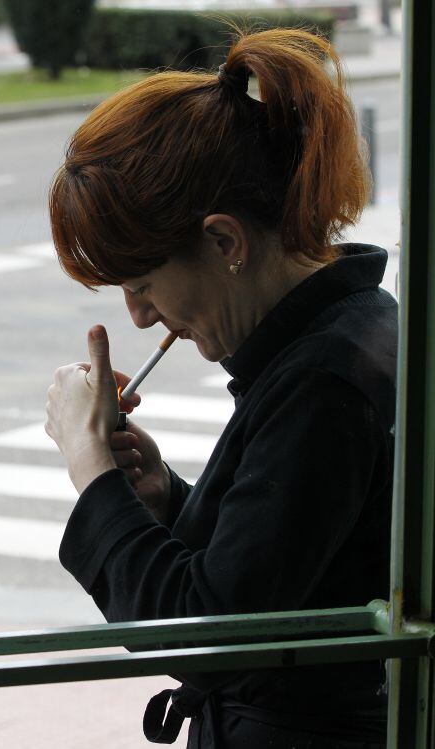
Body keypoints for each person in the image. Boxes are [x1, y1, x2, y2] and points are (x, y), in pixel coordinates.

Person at [43, 28, 396, 748]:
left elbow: (209, 633)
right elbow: (285, 569)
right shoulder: (346, 332)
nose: (139, 316)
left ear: (225, 243)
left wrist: (92, 473)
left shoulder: (322, 380)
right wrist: (160, 495)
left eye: (142, 284)